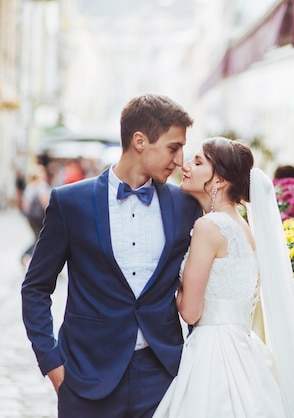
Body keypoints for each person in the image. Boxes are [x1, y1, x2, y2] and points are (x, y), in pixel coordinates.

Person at [21, 93, 202, 418]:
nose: (180, 160)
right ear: (140, 141)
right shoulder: (70, 202)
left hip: (163, 376)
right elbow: (36, 287)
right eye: (173, 147)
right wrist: (52, 364)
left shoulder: (185, 205)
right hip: (86, 376)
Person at [153, 137, 294, 417]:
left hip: (212, 353)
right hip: (244, 346)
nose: (185, 166)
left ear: (219, 180)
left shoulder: (208, 227)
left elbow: (190, 312)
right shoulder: (243, 226)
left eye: (197, 162)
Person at [20, 164, 51, 266]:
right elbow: (45, 203)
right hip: (40, 218)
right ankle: (27, 256)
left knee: (37, 238)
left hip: (31, 218)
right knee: (40, 240)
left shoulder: (29, 187)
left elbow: (25, 205)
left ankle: (27, 256)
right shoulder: (42, 186)